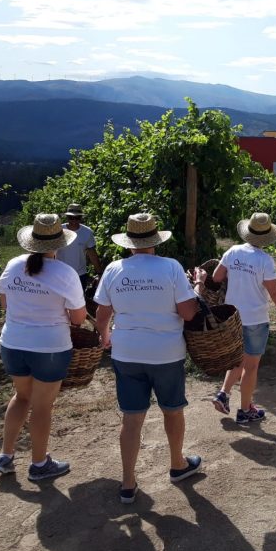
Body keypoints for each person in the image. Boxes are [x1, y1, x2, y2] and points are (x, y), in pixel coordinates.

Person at [93, 213, 203, 504]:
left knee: (131, 419)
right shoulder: (171, 268)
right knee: (172, 410)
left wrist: (106, 337)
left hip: (126, 351)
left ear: (130, 243)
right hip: (166, 352)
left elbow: (102, 316)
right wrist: (197, 291)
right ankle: (178, 464)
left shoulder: (114, 269)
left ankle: (128, 483)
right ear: (155, 240)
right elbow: (188, 313)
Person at [0, 213, 87, 481]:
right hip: (50, 348)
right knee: (42, 406)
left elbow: (4, 303)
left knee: (21, 396)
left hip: (12, 343)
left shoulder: (12, 265)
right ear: (59, 243)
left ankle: (5, 455)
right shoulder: (65, 273)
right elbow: (79, 319)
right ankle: (38, 464)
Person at [201, 212, 276, 424]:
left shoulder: (232, 251)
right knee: (251, 366)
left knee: (237, 359)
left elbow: (216, 278)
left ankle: (223, 394)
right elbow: (274, 293)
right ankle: (245, 410)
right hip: (255, 319)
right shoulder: (264, 260)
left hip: (231, 317)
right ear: (267, 237)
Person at [56, 203, 102, 290]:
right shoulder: (59, 230)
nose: (74, 220)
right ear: (67, 217)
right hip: (60, 273)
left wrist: (99, 273)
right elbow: (51, 251)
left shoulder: (87, 232)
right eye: (71, 217)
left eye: (77, 218)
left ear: (81, 218)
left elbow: (92, 254)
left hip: (80, 275)